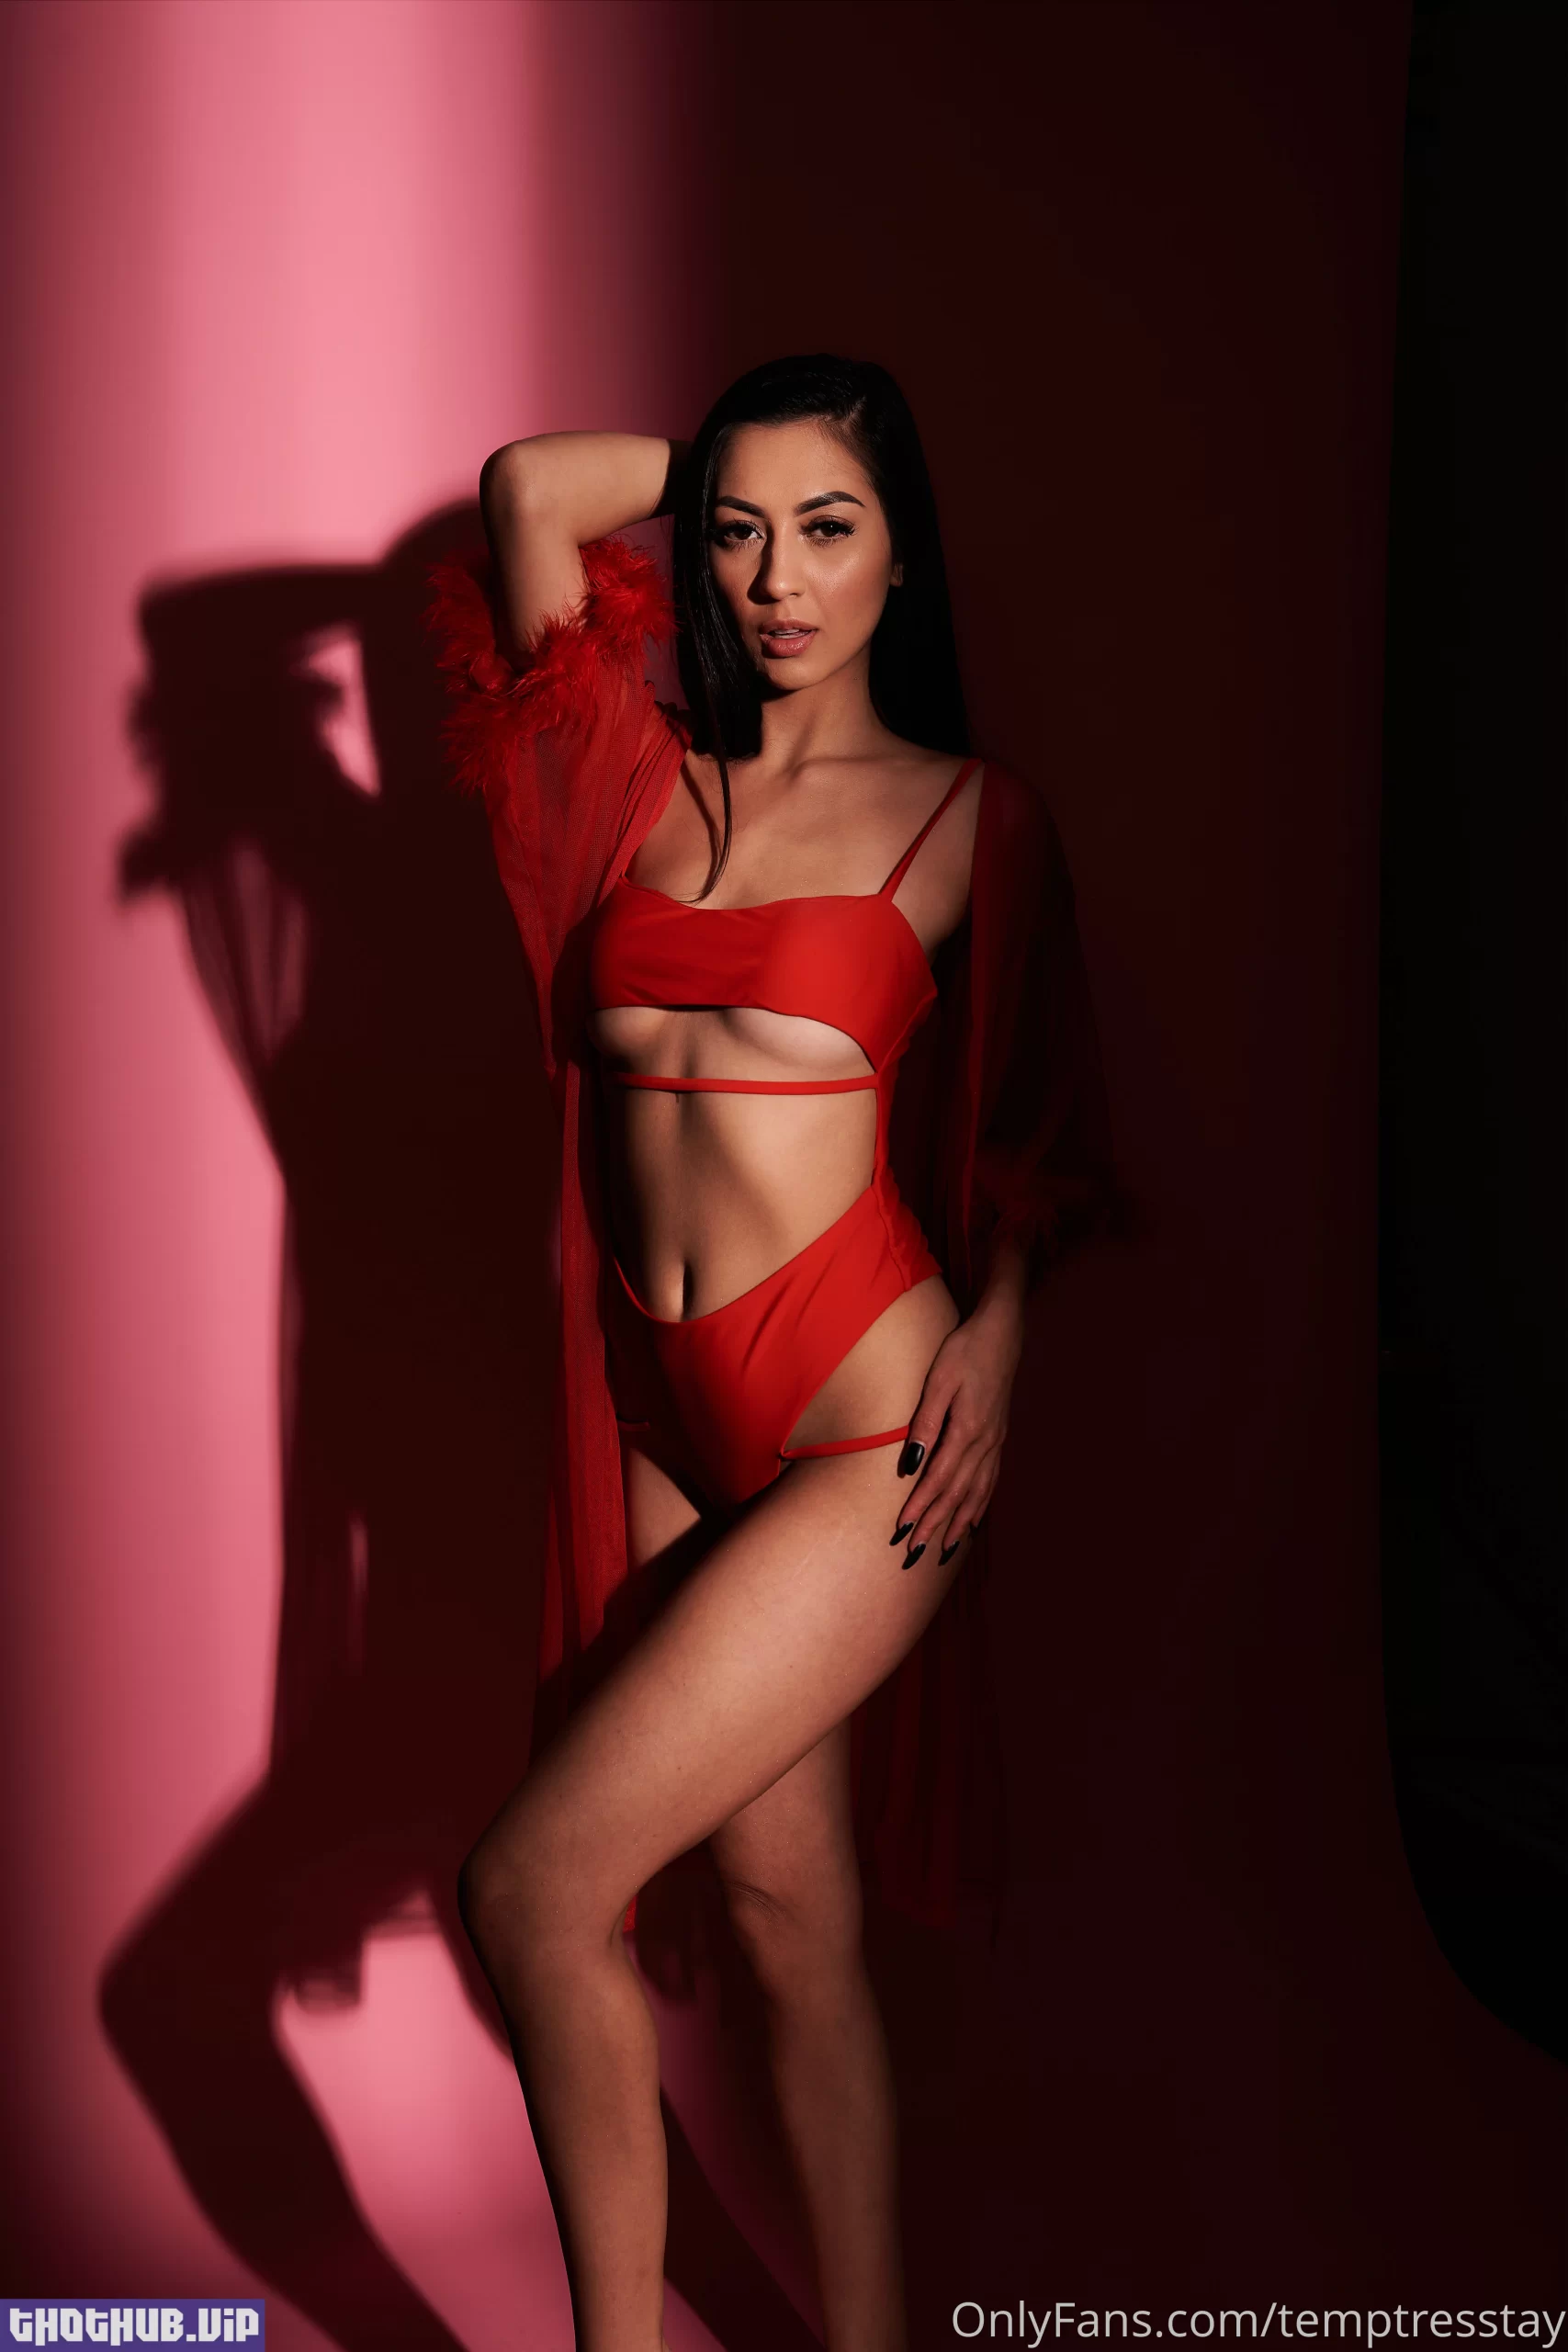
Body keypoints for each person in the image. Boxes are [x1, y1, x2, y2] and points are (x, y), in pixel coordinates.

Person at [425, 355, 1118, 2352]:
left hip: (857, 1412)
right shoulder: (632, 778)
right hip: (654, 1398)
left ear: (904, 558)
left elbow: (1041, 1132)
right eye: (736, 532)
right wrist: (730, 456)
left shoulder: (975, 818)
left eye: (828, 529)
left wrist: (1002, 1338)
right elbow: (529, 490)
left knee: (534, 1886)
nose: (774, 578)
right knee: (787, 1919)